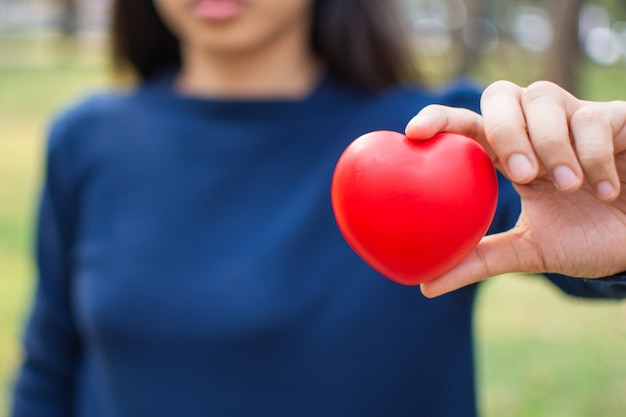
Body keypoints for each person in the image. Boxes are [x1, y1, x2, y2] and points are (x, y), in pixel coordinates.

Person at [10, 0, 626, 416]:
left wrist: (615, 220)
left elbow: (587, 259)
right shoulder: (86, 139)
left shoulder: (452, 137)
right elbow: (49, 369)